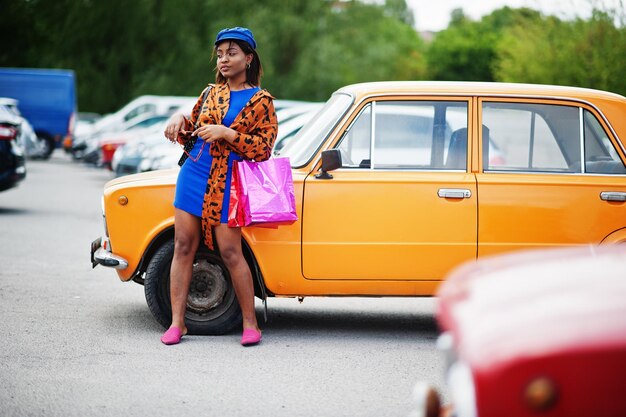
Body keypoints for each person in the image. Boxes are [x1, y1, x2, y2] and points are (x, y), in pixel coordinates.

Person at [162, 27, 278, 346]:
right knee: (183, 246)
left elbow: (264, 149)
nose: (224, 59)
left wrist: (227, 134)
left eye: (232, 53)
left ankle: (251, 324)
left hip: (228, 182)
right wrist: (178, 119)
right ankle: (177, 323)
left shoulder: (261, 101)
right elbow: (193, 125)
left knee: (230, 251)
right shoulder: (211, 92)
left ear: (249, 58)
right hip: (195, 173)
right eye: (220, 53)